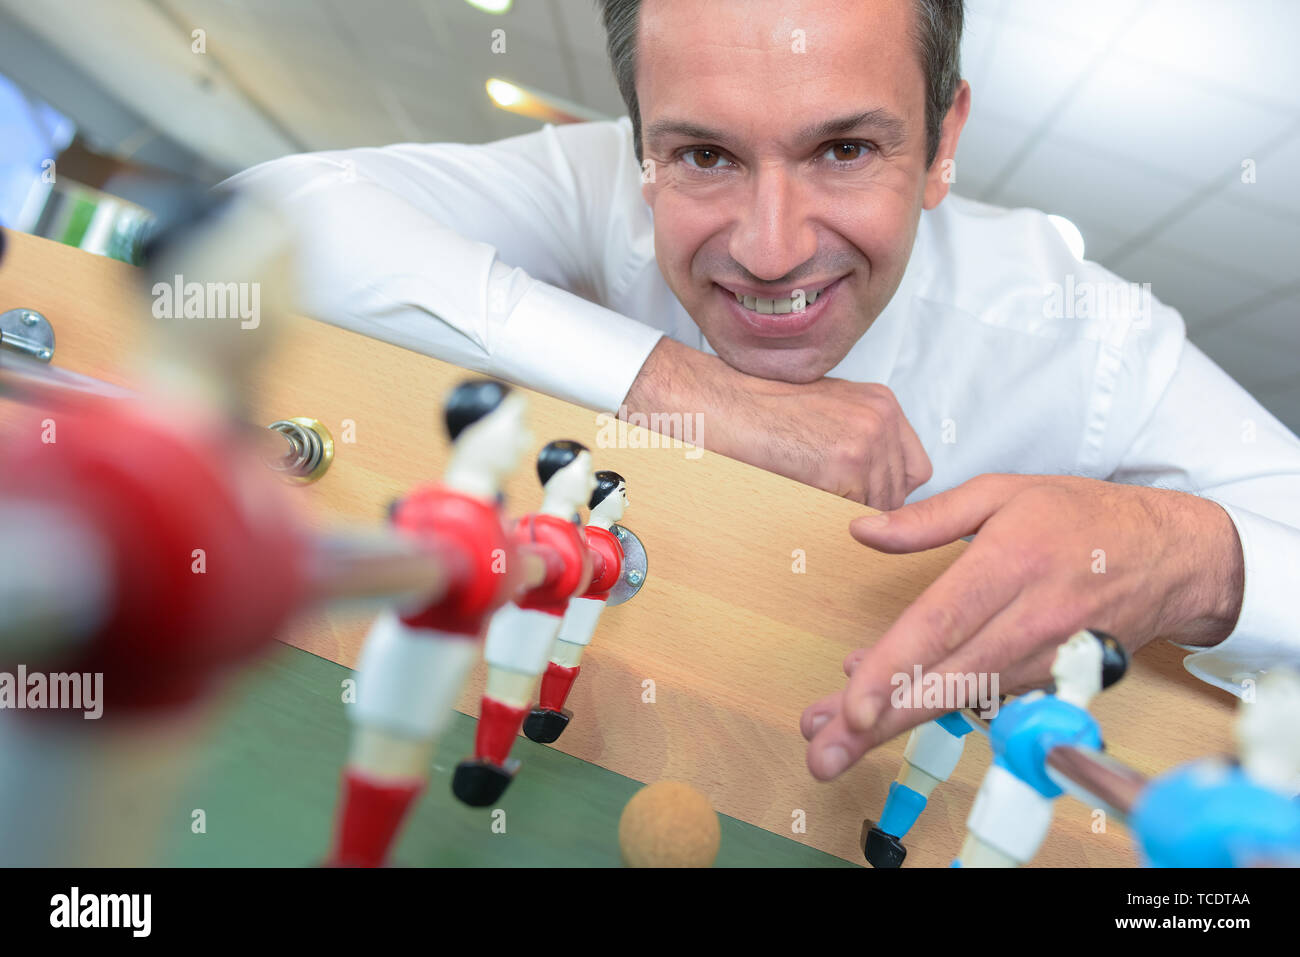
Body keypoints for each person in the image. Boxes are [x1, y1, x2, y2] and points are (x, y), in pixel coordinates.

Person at [225, 0, 1300, 785]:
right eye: (703, 155)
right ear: (638, 139)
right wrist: (680, 388)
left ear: (943, 142)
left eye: (844, 148)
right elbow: (249, 225)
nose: (771, 249)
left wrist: (1177, 551)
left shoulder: (1084, 333)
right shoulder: (600, 181)